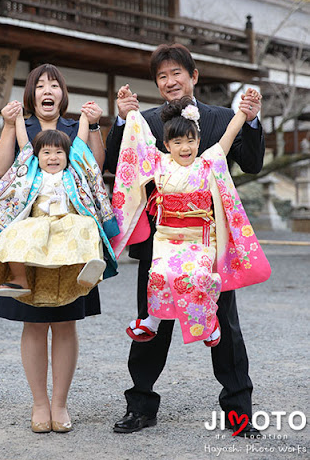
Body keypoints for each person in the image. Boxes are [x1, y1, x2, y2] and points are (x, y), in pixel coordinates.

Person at [105, 43, 266, 437]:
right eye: (161, 76)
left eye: (177, 72)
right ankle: (140, 405)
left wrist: (252, 120)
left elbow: (252, 164)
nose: (169, 81)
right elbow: (116, 163)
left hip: (209, 243)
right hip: (161, 242)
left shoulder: (224, 118)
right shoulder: (144, 121)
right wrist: (123, 121)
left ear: (193, 76)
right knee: (152, 320)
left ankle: (238, 412)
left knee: (226, 324)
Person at [0, 64, 108, 433]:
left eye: (54, 84)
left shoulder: (74, 129)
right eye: (40, 85)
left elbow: (95, 167)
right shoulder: (22, 127)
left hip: (69, 243)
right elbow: (3, 169)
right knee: (34, 324)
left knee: (66, 323)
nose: (47, 90)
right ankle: (40, 404)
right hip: (28, 239)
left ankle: (60, 405)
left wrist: (96, 125)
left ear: (62, 94)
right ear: (31, 95)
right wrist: (8, 126)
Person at [111, 91, 270, 349]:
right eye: (177, 142)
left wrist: (244, 111)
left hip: (200, 237)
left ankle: (208, 322)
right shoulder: (157, 162)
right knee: (159, 275)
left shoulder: (207, 163)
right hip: (166, 237)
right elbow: (139, 140)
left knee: (197, 277)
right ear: (166, 145)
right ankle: (152, 320)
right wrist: (130, 112)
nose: (184, 148)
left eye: (190, 141)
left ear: (199, 142)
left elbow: (228, 137)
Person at [0, 105, 115, 304]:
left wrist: (84, 118)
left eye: (59, 153)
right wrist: (17, 119)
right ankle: (20, 279)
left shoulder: (72, 171)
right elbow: (24, 143)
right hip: (39, 221)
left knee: (87, 225)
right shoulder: (32, 171)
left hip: (67, 220)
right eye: (46, 153)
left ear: (68, 156)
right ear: (36, 156)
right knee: (11, 232)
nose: (53, 157)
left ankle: (85, 270)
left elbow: (80, 142)